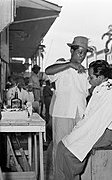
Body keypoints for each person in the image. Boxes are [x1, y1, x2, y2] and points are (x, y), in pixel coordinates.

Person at [54, 60, 112, 180]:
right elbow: (90, 117)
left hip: (103, 134)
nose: (88, 80)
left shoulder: (111, 94)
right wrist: (78, 131)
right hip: (93, 128)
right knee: (61, 146)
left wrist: (80, 134)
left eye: (91, 77)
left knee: (69, 153)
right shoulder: (101, 89)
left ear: (100, 77)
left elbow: (97, 123)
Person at [45, 36, 92, 165]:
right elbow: (48, 70)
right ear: (72, 51)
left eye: (84, 53)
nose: (82, 56)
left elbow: (89, 91)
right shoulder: (61, 66)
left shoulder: (85, 72)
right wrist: (70, 65)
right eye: (79, 52)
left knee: (77, 147)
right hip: (63, 113)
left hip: (80, 113)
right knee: (60, 146)